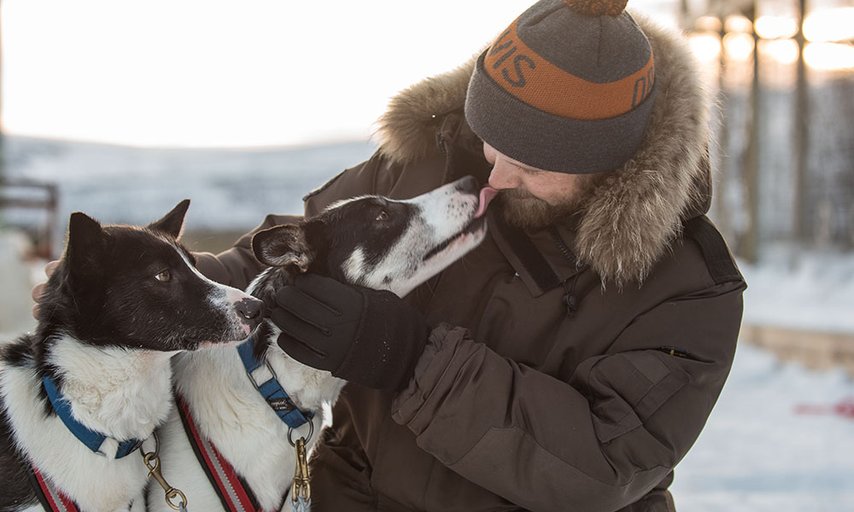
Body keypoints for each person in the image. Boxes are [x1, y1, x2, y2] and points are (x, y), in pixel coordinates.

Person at [33, 0, 745, 510]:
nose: (494, 175)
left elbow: (604, 465)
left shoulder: (687, 289)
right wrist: (137, 293)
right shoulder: (428, 157)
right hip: (355, 493)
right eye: (493, 138)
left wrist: (411, 359)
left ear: (609, 160)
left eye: (530, 162)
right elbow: (278, 263)